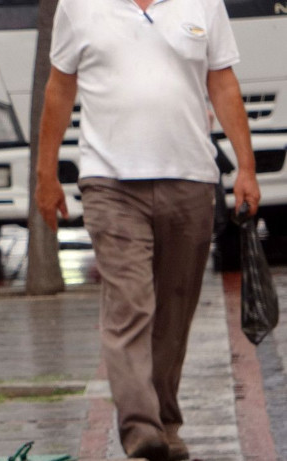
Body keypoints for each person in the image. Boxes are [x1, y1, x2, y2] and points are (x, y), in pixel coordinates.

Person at [35, 1, 260, 460]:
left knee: (174, 313)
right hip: (110, 183)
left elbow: (222, 82)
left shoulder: (203, 4)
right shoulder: (78, 7)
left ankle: (165, 424)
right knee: (130, 305)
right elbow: (59, 88)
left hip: (190, 178)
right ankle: (142, 433)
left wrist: (246, 167)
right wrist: (45, 174)